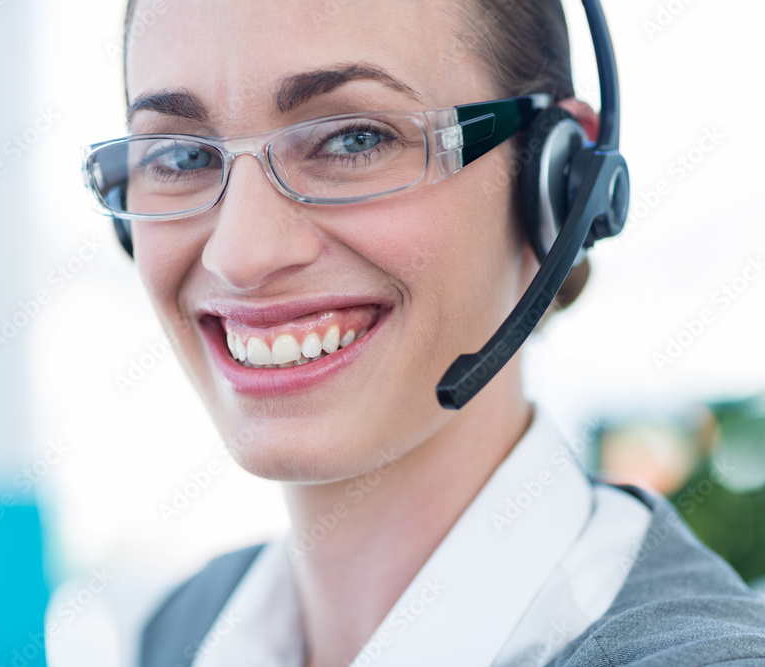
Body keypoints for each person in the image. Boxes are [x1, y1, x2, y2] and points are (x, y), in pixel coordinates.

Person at [81, 0, 765, 664]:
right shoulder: (181, 628)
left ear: (560, 184)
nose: (241, 255)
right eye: (179, 156)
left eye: (355, 138)